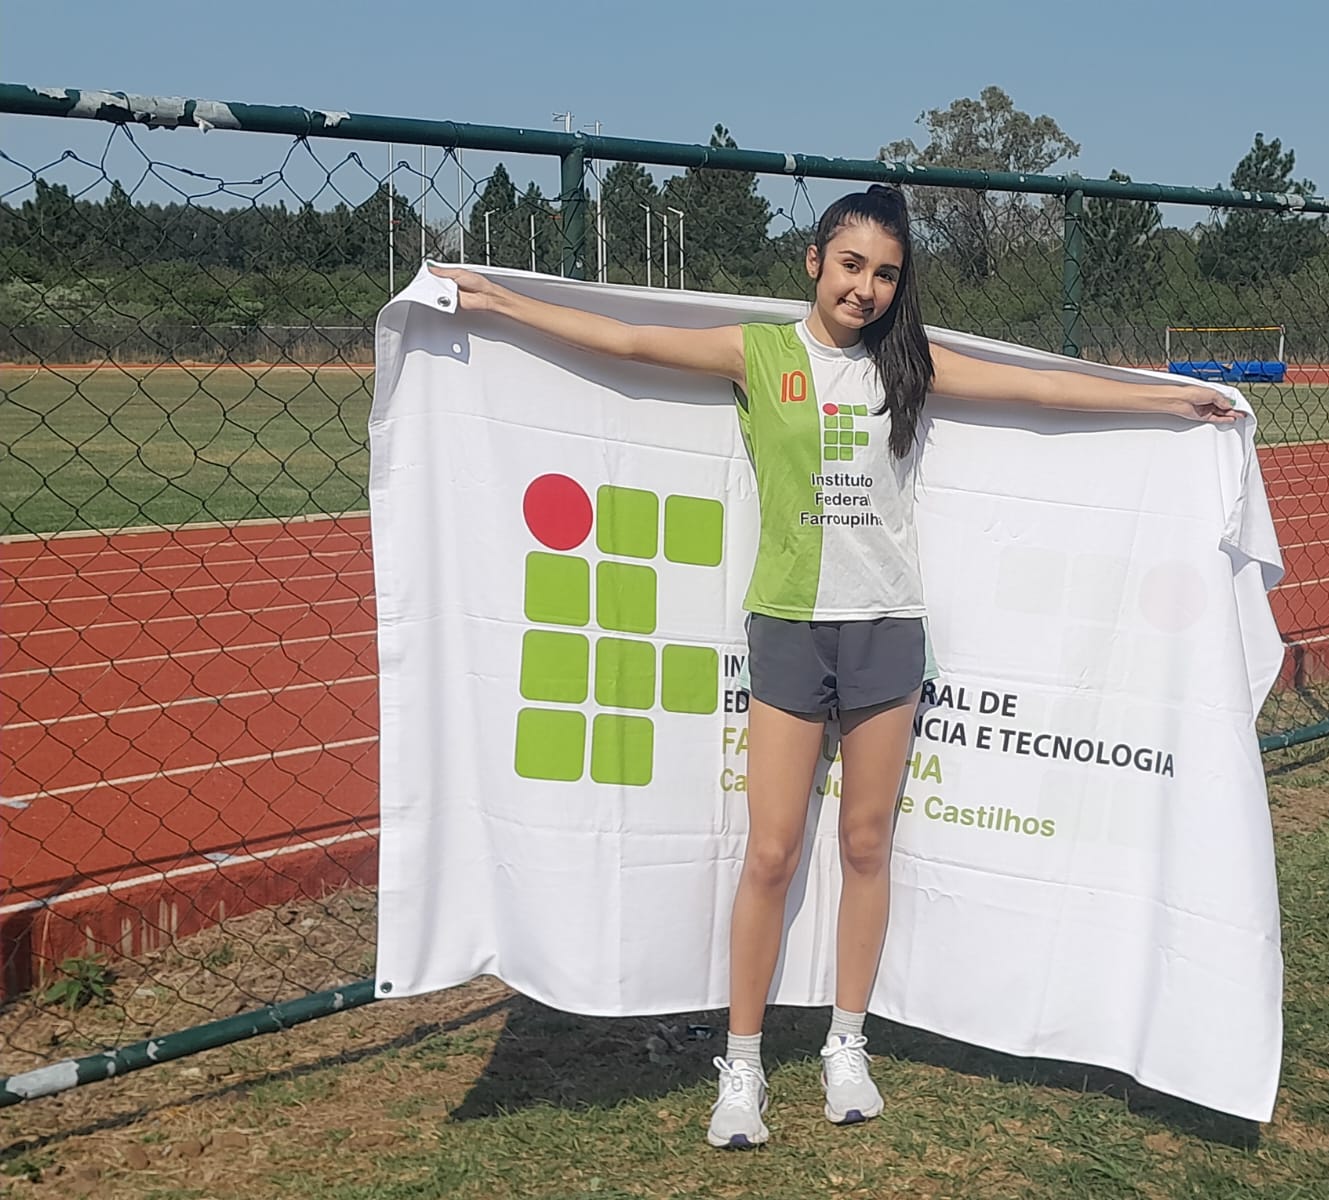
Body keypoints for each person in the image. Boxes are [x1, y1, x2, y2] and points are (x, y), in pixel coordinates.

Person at [429, 184, 1236, 1149]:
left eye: (886, 274)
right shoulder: (759, 353)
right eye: (851, 265)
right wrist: (500, 301)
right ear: (814, 262)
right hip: (789, 627)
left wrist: (1169, 398)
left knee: (865, 844)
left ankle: (845, 1044)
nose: (866, 288)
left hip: (886, 631)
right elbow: (630, 341)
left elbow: (1042, 390)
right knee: (771, 852)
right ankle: (741, 1064)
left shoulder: (908, 364)